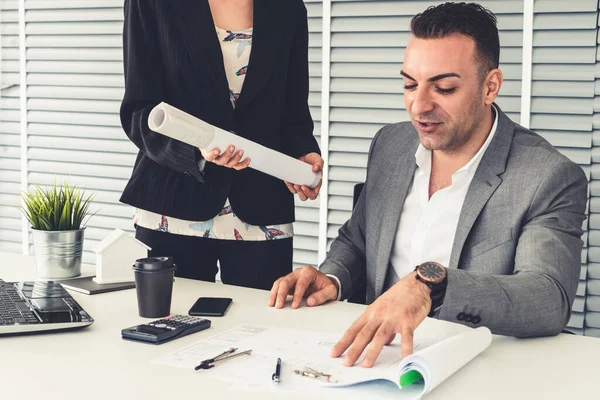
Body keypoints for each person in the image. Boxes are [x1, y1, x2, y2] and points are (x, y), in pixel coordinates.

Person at [268, 2, 587, 368]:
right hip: (376, 362)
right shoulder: (390, 145)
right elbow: (358, 241)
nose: (419, 106)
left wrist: (430, 287)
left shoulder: (547, 175)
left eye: (444, 88)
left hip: (477, 367)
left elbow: (547, 298)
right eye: (409, 84)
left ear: (490, 86)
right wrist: (332, 277)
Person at [119, 0, 323, 290]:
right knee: (168, 329)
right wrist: (196, 152)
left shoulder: (288, 6)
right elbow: (139, 110)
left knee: (264, 330)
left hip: (262, 206)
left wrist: (303, 151)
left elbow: (293, 114)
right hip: (173, 203)